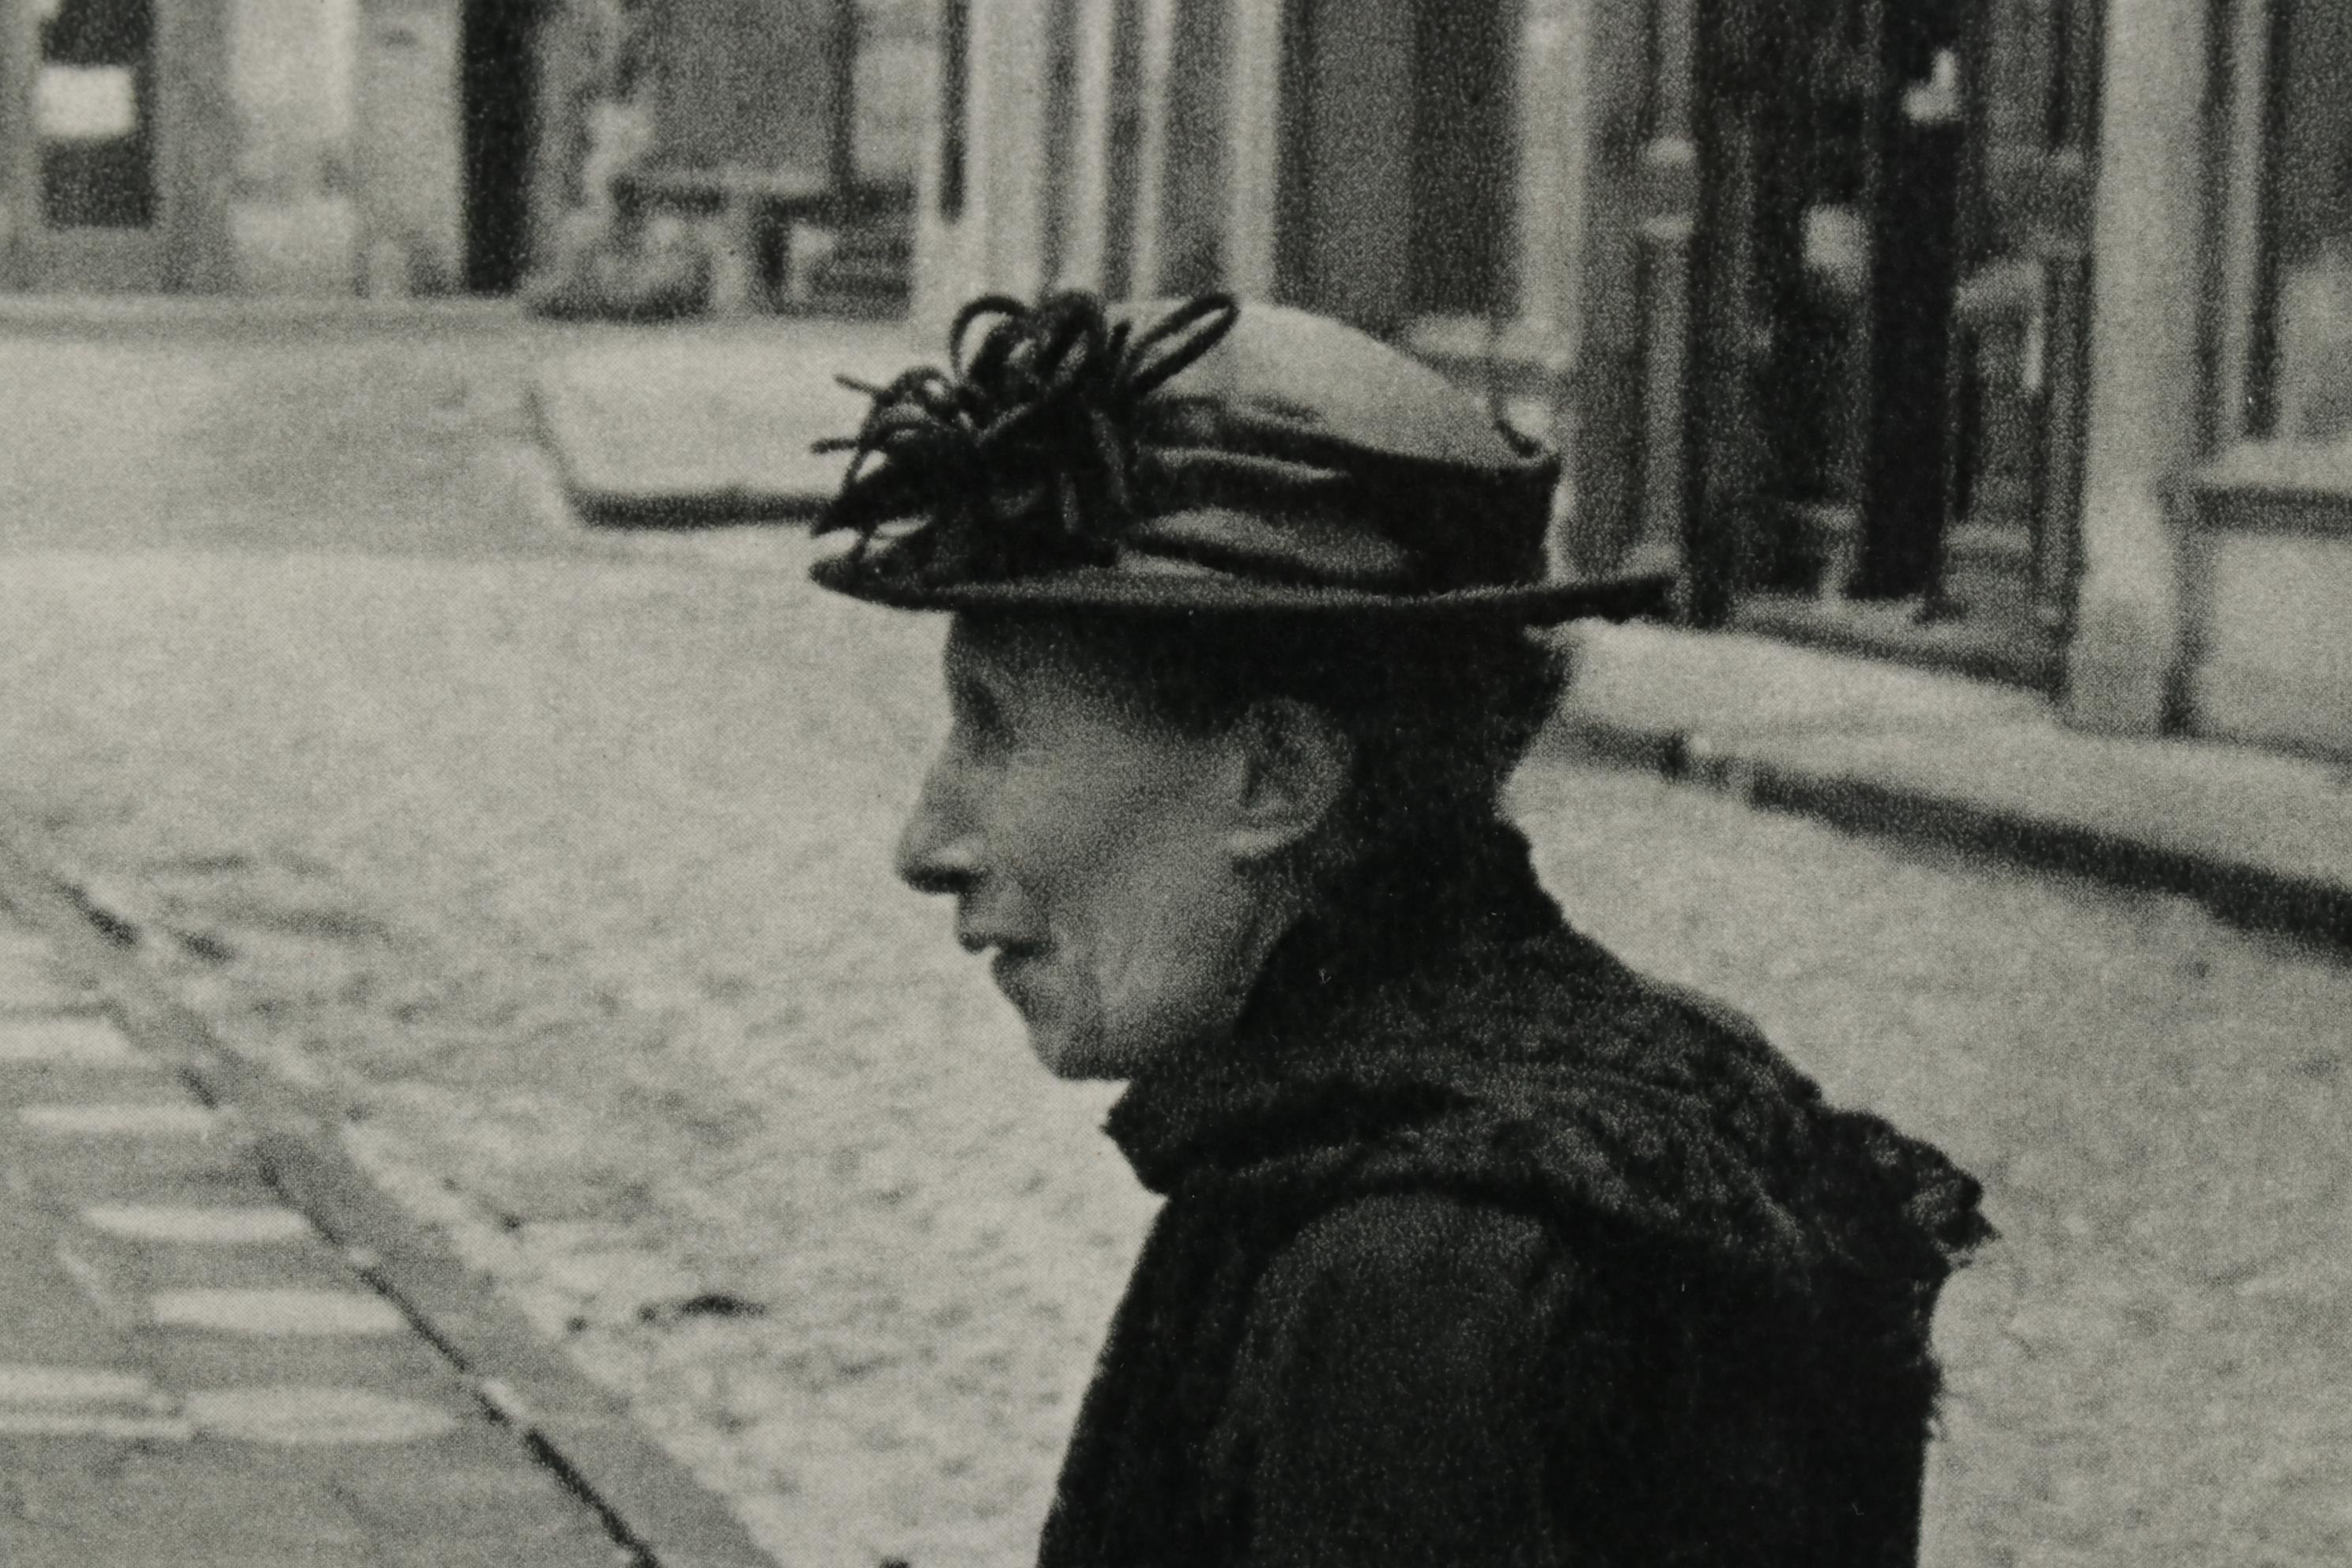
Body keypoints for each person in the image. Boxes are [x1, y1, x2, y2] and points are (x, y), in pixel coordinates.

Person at [812, 291, 1991, 1566]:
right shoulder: (1635, 1098)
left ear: (1274, 779)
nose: (925, 846)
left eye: (994, 730)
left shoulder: (1408, 1277)